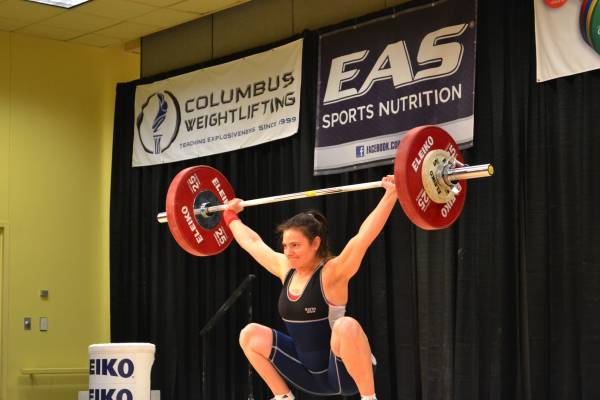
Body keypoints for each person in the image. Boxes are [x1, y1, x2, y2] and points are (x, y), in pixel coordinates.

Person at [221, 175, 397, 400]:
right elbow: (253, 243)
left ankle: (369, 398)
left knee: (346, 325)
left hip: (345, 374)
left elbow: (364, 237)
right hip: (307, 376)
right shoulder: (286, 268)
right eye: (285, 245)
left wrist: (391, 195)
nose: (288, 252)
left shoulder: (332, 273)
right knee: (249, 334)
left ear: (316, 243)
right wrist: (230, 215)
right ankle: (284, 396)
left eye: (295, 245)